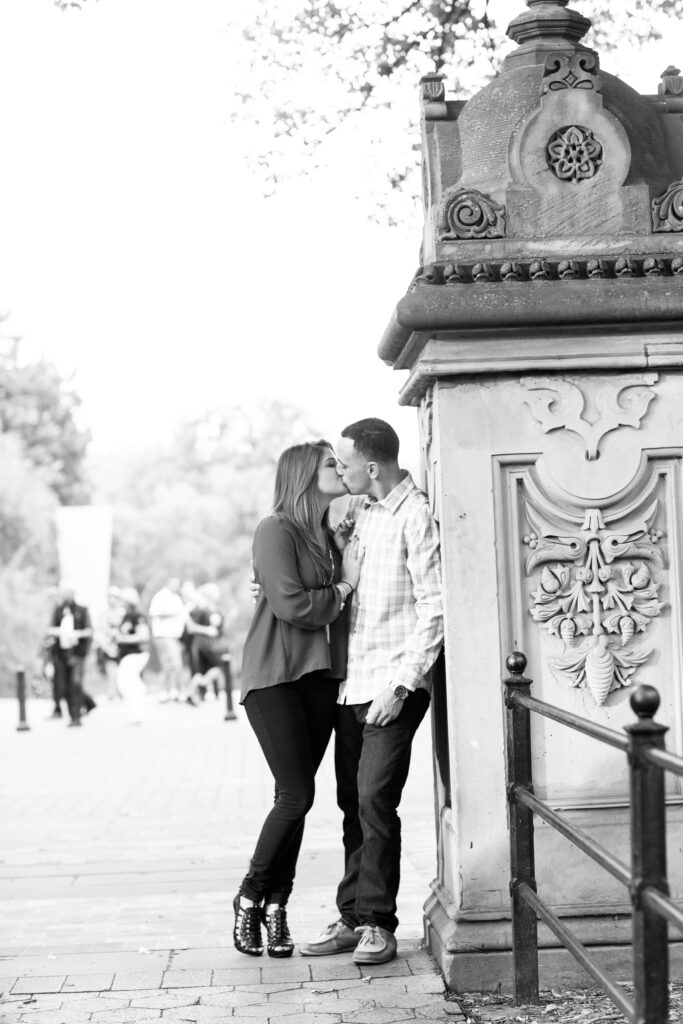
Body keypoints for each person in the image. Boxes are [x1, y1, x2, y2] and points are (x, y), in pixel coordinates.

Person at [297, 418, 443, 965]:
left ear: (372, 466)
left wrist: (403, 685)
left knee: (376, 800)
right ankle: (353, 916)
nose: (339, 469)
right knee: (350, 806)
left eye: (344, 462)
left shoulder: (415, 515)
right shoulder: (362, 513)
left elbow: (434, 605)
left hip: (391, 686)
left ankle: (379, 922)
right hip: (351, 685)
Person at [234, 440, 363, 960]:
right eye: (331, 462)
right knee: (296, 795)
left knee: (296, 795)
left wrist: (337, 573)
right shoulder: (275, 529)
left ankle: (277, 906)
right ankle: (249, 898)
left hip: (319, 680)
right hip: (273, 679)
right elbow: (289, 604)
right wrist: (343, 589)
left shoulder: (325, 534)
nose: (340, 468)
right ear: (305, 474)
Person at [47, 581, 95, 727]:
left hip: (77, 653)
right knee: (64, 685)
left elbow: (89, 631)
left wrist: (76, 635)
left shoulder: (82, 610)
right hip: (61, 653)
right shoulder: (58, 610)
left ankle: (76, 716)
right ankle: (78, 710)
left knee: (75, 683)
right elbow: (50, 629)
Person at [149, 577, 188, 702]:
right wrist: (174, 613)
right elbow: (155, 612)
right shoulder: (161, 596)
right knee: (174, 664)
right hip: (164, 636)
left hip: (175, 637)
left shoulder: (176, 598)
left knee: (171, 665)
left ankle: (170, 691)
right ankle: (165, 691)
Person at [115, 587, 150, 725]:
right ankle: (135, 713)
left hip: (136, 654)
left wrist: (123, 639)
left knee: (126, 681)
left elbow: (143, 636)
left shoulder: (137, 616)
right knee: (127, 683)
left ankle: (137, 713)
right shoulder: (125, 616)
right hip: (125, 654)